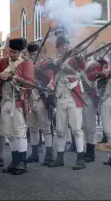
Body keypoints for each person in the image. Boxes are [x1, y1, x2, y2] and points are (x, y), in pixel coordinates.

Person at [0, 38, 34, 176]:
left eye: (14, 52)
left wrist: (20, 81)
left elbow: (30, 84)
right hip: (5, 101)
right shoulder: (2, 62)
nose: (12, 54)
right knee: (9, 133)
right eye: (10, 51)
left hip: (18, 101)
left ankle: (22, 162)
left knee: (20, 132)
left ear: (20, 52)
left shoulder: (26, 63)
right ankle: (14, 161)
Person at [40, 35, 87, 170]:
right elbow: (42, 66)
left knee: (77, 129)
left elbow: (82, 65)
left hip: (73, 98)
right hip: (60, 99)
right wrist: (55, 63)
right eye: (62, 46)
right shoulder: (55, 61)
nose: (65, 47)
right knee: (60, 130)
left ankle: (80, 158)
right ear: (58, 48)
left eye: (66, 45)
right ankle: (59, 157)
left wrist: (77, 55)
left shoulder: (74, 59)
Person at [25, 42, 54, 166]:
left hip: (42, 97)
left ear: (39, 53)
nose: (32, 56)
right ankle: (35, 153)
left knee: (45, 127)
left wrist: (38, 70)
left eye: (34, 54)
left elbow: (50, 78)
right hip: (30, 97)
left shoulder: (46, 63)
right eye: (30, 54)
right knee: (32, 127)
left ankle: (49, 154)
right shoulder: (26, 64)